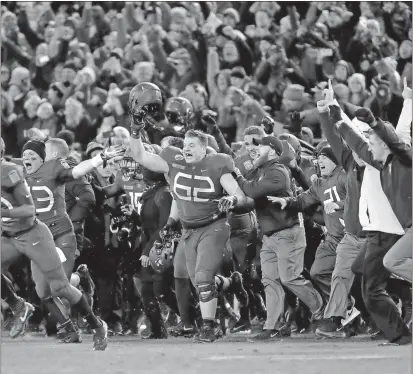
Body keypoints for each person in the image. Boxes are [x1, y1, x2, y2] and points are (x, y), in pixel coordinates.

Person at [128, 82, 251, 343]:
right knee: (195, 280)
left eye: (192, 146)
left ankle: (208, 326)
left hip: (213, 226)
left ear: (205, 149)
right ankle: (228, 289)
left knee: (203, 277)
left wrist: (231, 200)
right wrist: (135, 129)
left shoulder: (217, 164)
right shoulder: (174, 160)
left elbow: (238, 194)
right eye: (185, 144)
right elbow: (139, 156)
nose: (186, 148)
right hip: (187, 229)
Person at [1, 137, 108, 350]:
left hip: (52, 233)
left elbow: (77, 173)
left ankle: (97, 325)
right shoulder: (18, 167)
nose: (28, 158)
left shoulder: (52, 169)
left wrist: (99, 159)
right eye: (26, 155)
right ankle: (22, 307)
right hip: (15, 236)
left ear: (45, 158)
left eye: (34, 155)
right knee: (43, 291)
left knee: (59, 286)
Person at [233, 130, 324, 342]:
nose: (254, 151)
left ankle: (323, 312)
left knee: (289, 277)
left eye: (260, 147)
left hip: (288, 232)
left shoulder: (278, 171)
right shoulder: (262, 171)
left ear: (273, 151)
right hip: (270, 234)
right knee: (270, 280)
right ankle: (271, 326)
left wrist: (236, 174)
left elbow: (251, 191)